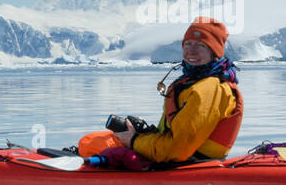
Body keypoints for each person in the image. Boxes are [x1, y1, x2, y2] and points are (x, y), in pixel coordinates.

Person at [80, 17, 243, 165]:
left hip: (187, 162)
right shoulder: (195, 83)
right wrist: (141, 134)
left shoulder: (210, 88)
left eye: (201, 46)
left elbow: (177, 149)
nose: (191, 51)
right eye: (188, 44)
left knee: (93, 144)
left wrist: (134, 141)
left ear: (214, 52)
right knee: (90, 141)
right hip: (176, 155)